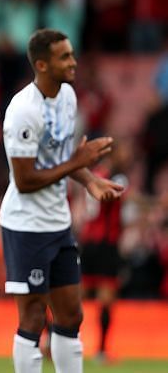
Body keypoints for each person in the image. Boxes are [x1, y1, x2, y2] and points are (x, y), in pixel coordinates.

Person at [0, 28, 124, 373]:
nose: (73, 62)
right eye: (64, 57)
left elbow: (63, 158)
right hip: (25, 225)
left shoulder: (67, 96)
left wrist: (88, 180)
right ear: (41, 64)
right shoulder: (23, 111)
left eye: (71, 54)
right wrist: (78, 163)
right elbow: (24, 181)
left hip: (58, 222)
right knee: (34, 316)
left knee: (71, 314)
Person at [78, 140, 130, 362]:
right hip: (105, 244)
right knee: (106, 298)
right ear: (115, 154)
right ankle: (100, 350)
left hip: (88, 241)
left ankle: (53, 338)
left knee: (76, 296)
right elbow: (119, 197)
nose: (128, 158)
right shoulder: (114, 178)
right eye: (125, 153)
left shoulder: (93, 174)